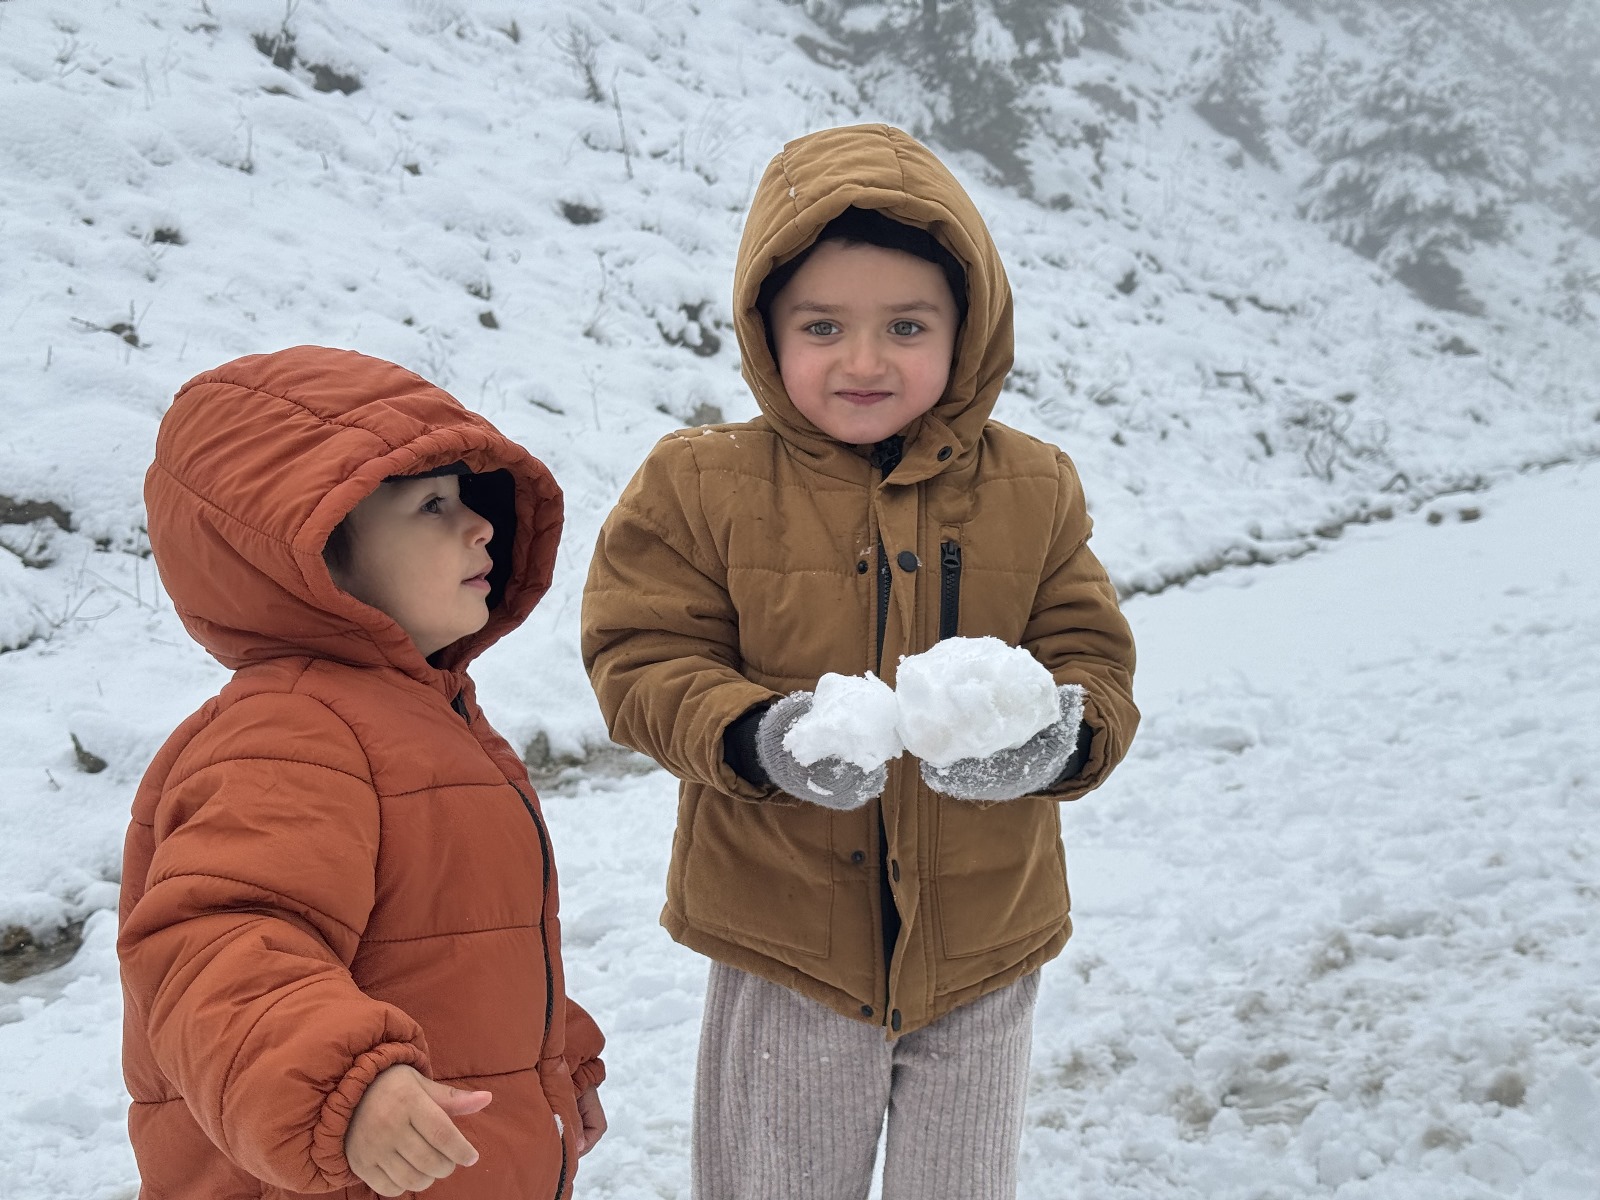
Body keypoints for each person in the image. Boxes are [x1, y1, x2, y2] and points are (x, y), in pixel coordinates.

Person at [581, 124, 1139, 1199]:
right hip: (786, 938)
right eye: (824, 325)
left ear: (966, 330)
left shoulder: (1035, 484)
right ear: (766, 331)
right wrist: (758, 735)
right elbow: (641, 655)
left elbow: (1091, 656)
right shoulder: (700, 484)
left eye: (907, 325)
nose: (865, 360)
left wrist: (1059, 737)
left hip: (983, 942)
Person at [119, 345, 605, 1200]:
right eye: (430, 505)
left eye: (468, 497)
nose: (480, 524)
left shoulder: (426, 716)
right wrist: (338, 1084)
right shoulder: (287, 734)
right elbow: (221, 943)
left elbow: (464, 939)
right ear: (318, 558)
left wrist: (557, 1061)